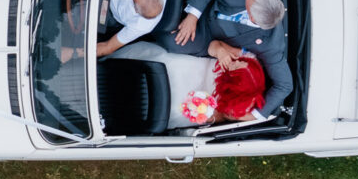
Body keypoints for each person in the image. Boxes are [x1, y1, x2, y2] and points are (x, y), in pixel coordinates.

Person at [161, 0, 291, 120]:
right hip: (209, 1)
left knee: (170, 41)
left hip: (210, 37)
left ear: (254, 19)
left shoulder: (271, 45)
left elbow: (284, 85)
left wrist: (255, 116)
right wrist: (193, 15)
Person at [108, 40, 267, 128]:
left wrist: (206, 114)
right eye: (238, 63)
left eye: (235, 69)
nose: (234, 63)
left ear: (234, 85)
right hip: (194, 67)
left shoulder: (241, 106)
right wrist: (221, 52)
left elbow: (223, 116)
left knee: (169, 107)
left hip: (198, 98)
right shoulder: (249, 60)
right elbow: (214, 45)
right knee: (162, 63)